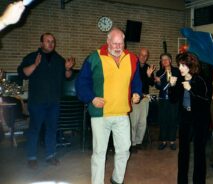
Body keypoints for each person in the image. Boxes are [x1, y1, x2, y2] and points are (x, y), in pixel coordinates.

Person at [75, 27, 142, 184]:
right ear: (108, 41)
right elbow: (81, 82)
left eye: (121, 43)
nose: (118, 47)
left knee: (124, 150)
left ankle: (117, 180)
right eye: (115, 43)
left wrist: (137, 92)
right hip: (101, 114)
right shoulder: (95, 57)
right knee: (99, 152)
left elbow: (136, 80)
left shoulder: (132, 58)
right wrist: (91, 98)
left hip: (122, 114)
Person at [17, 32, 75, 169]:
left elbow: (67, 77)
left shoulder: (59, 59)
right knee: (34, 129)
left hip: (53, 102)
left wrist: (68, 69)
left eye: (53, 41)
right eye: (48, 41)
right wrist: (35, 65)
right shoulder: (32, 57)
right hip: (37, 102)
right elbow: (22, 73)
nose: (51, 43)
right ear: (41, 43)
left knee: (51, 129)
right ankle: (31, 157)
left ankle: (50, 155)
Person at [169, 52, 210, 184]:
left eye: (183, 65)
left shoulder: (200, 79)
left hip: (200, 120)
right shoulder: (180, 79)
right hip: (185, 118)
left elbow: (205, 101)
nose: (180, 68)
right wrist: (172, 86)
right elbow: (173, 99)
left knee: (199, 152)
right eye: (179, 65)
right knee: (183, 153)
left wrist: (191, 89)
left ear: (191, 66)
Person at [129, 48, 155, 153]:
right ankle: (132, 143)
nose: (143, 57)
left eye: (145, 55)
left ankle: (139, 142)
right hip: (135, 98)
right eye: (142, 55)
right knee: (133, 122)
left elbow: (152, 84)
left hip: (144, 98)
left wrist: (149, 75)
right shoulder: (132, 66)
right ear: (138, 55)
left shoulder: (149, 67)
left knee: (142, 122)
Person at [154, 53, 180, 150]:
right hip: (163, 99)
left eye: (166, 59)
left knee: (173, 119)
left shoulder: (176, 71)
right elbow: (157, 87)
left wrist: (174, 84)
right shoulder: (159, 72)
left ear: (170, 60)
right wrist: (158, 82)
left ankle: (172, 141)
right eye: (162, 60)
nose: (164, 61)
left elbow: (179, 85)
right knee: (163, 120)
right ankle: (163, 141)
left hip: (173, 99)